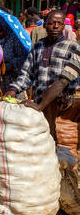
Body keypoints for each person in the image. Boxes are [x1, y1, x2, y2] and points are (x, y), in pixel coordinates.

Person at [5, 10, 79, 139]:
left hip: (61, 101)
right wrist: (13, 90)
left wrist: (40, 106)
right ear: (44, 25)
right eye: (51, 23)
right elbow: (27, 73)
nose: (55, 26)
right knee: (40, 134)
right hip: (40, 99)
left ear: (63, 26)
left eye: (59, 23)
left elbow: (63, 81)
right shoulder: (39, 45)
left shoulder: (73, 47)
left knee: (48, 133)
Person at [0, 15, 29, 99]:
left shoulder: (15, 40)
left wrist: (6, 66)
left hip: (13, 82)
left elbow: (22, 59)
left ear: (6, 29)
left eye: (0, 30)